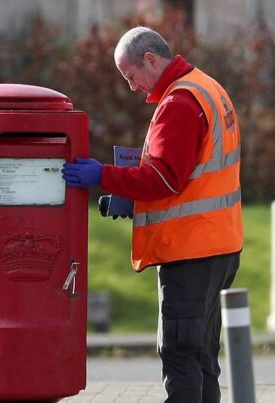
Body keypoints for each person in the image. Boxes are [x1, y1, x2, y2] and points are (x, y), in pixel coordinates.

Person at [61, 26, 243, 403]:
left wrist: (104, 175)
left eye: (131, 76)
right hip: (220, 243)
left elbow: (163, 177)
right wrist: (132, 197)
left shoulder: (179, 103)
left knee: (179, 353)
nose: (132, 87)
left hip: (189, 251)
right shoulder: (207, 87)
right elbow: (192, 175)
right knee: (202, 354)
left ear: (150, 59)